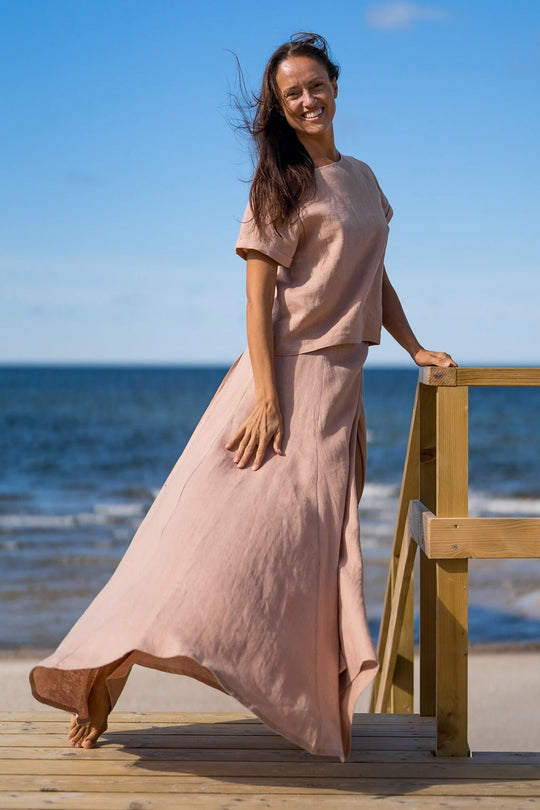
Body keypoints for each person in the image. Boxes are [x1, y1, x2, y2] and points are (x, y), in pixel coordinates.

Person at [30, 32, 456, 761]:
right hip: (279, 381)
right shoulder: (277, 186)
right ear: (281, 109)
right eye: (292, 93)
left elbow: (373, 277)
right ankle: (106, 671)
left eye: (315, 85)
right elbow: (257, 303)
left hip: (339, 392)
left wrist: (416, 347)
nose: (307, 99)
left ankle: (315, 710)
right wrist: (266, 399)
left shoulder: (364, 178)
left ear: (334, 87)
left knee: (305, 554)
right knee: (203, 540)